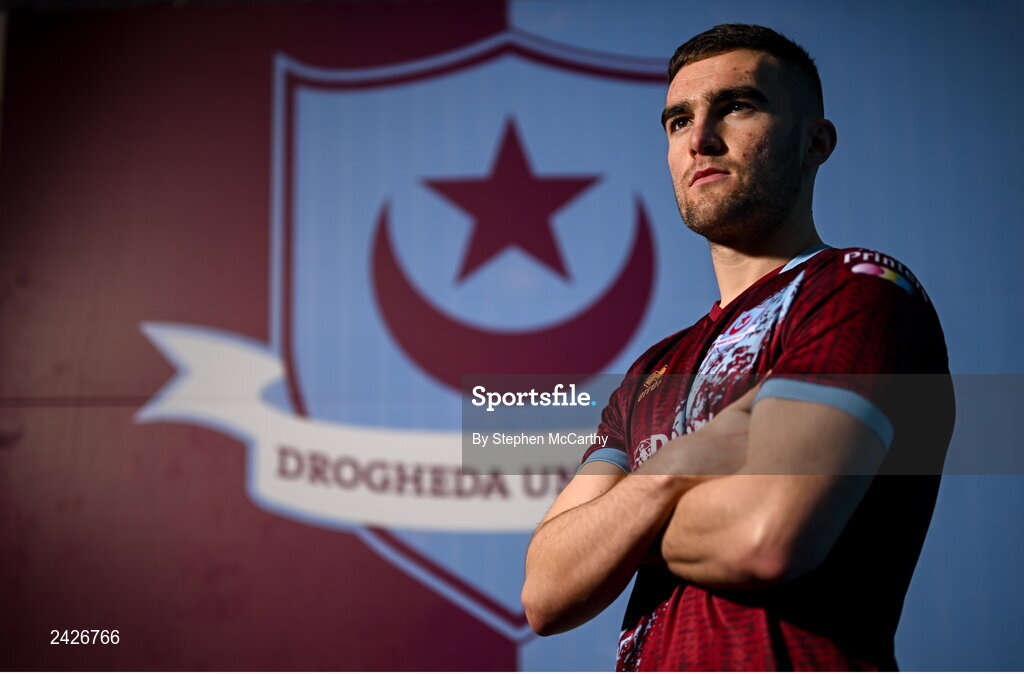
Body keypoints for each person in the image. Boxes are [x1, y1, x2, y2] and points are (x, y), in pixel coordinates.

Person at [520, 24, 953, 671]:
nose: (700, 139)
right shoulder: (650, 371)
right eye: (677, 120)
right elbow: (547, 592)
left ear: (816, 141)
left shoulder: (858, 290)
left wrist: (617, 524)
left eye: (737, 106)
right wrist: (679, 466)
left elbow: (765, 534)